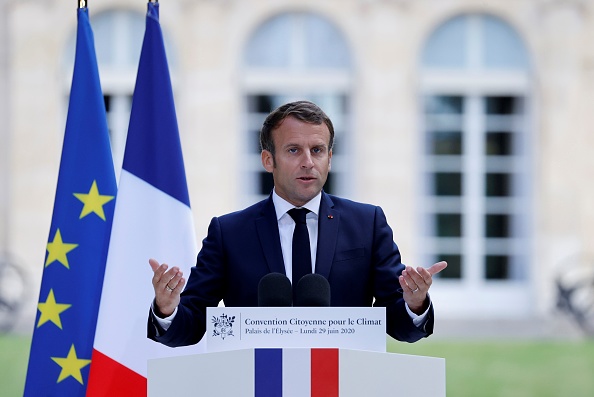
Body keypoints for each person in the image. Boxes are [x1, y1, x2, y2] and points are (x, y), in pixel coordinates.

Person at [148, 100, 447, 347]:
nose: (308, 162)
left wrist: (415, 303)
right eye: (293, 150)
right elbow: (192, 323)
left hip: (343, 383)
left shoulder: (367, 224)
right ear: (268, 160)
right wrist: (167, 308)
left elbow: (401, 326)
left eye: (317, 150)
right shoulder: (229, 233)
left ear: (329, 159)